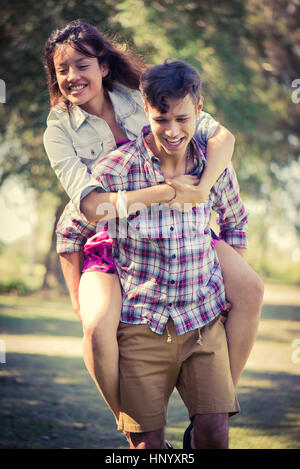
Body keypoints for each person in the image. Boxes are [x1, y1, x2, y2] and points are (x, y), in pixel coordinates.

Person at [43, 20, 263, 426]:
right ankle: (130, 418)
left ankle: (215, 409)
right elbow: (86, 211)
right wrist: (162, 192)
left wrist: (200, 190)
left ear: (104, 66)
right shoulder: (59, 130)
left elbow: (221, 139)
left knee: (250, 286)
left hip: (181, 222)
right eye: (63, 69)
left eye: (82, 64)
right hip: (112, 231)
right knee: (95, 326)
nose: (73, 76)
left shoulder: (141, 94)